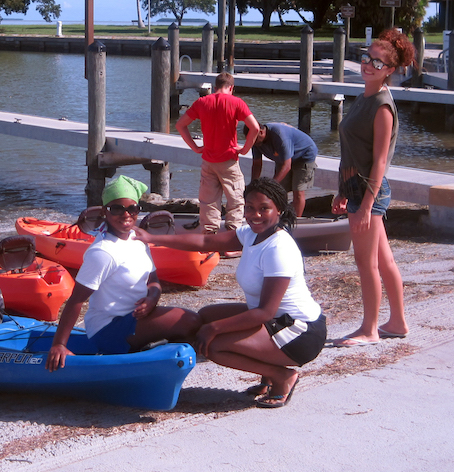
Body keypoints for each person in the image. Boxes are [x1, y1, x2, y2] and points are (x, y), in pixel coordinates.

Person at [135, 177, 326, 409]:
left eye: (264, 208)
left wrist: (214, 329)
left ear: (279, 210)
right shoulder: (252, 234)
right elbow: (205, 241)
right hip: (276, 321)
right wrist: (152, 238)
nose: (255, 215)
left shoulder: (279, 248)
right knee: (207, 315)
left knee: (214, 345)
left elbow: (265, 313)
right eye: (250, 208)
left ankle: (281, 376)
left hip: (299, 333)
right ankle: (266, 374)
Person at [45, 175, 201, 371]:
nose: (125, 214)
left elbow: (153, 279)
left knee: (195, 321)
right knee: (190, 321)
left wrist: (152, 297)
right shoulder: (103, 252)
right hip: (108, 328)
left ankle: (147, 355)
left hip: (134, 318)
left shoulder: (136, 238)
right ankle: (138, 356)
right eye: (116, 208)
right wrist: (59, 344)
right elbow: (76, 300)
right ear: (104, 211)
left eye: (132, 208)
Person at [330, 29, 415, 347]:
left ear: (390, 70)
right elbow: (354, 150)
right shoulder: (364, 96)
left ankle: (369, 329)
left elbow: (380, 162)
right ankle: (398, 323)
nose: (368, 64)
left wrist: (365, 206)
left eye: (377, 62)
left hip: (369, 192)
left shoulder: (381, 105)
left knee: (366, 263)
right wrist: (342, 191)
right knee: (384, 260)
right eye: (366, 58)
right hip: (356, 189)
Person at [176, 73, 260, 237]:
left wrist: (195, 147)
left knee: (208, 202)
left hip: (208, 160)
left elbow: (180, 125)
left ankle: (209, 241)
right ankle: (231, 241)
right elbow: (255, 128)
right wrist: (245, 149)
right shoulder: (236, 102)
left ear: (215, 87)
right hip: (229, 160)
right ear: (231, 88)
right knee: (235, 202)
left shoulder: (201, 102)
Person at [249, 121, 318, 217]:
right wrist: (253, 185)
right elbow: (257, 164)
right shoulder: (253, 139)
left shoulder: (279, 135)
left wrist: (271, 184)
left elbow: (287, 166)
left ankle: (296, 222)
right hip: (282, 157)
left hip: (304, 156)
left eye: (254, 139)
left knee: (298, 190)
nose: (253, 142)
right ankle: (278, 216)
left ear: (260, 132)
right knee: (279, 190)